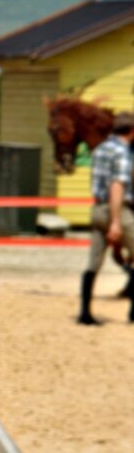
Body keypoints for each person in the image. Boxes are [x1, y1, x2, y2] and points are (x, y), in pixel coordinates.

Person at [79, 111, 134, 325]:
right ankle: (133, 313)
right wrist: (116, 221)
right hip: (117, 209)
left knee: (93, 262)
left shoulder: (100, 149)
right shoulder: (122, 152)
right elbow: (117, 186)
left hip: (97, 209)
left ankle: (85, 312)